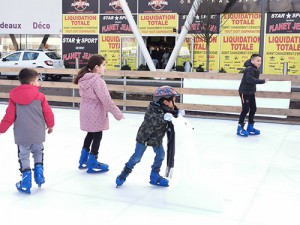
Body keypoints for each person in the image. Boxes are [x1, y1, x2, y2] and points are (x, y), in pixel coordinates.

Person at [115, 86, 183, 188]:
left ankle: (154, 176)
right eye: (173, 99)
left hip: (157, 139)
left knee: (160, 155)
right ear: (165, 102)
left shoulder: (169, 110)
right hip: (144, 138)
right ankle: (124, 174)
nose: (175, 102)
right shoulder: (152, 109)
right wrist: (163, 117)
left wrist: (178, 114)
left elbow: (173, 116)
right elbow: (152, 119)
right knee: (136, 158)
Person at [0, 68, 55, 194]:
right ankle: (39, 175)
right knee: (38, 152)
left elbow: (9, 116)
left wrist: (1, 129)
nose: (38, 83)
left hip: (22, 135)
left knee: (23, 155)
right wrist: (50, 125)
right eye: (37, 80)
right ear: (31, 83)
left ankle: (26, 181)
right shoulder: (40, 97)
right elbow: (48, 112)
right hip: (37, 133)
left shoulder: (14, 96)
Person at [74, 55, 123, 173]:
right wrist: (118, 114)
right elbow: (106, 100)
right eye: (104, 65)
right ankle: (92, 162)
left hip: (85, 110)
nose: (105, 68)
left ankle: (83, 160)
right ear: (96, 67)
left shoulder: (83, 79)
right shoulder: (98, 81)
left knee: (90, 134)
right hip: (95, 111)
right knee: (97, 136)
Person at [237, 54, 268, 137]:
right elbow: (249, 79)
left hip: (251, 92)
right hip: (244, 92)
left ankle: (250, 127)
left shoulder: (254, 69)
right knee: (245, 109)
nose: (260, 62)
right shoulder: (249, 69)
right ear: (252, 61)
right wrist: (262, 81)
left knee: (253, 108)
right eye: (258, 61)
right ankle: (239, 128)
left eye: (260, 61)